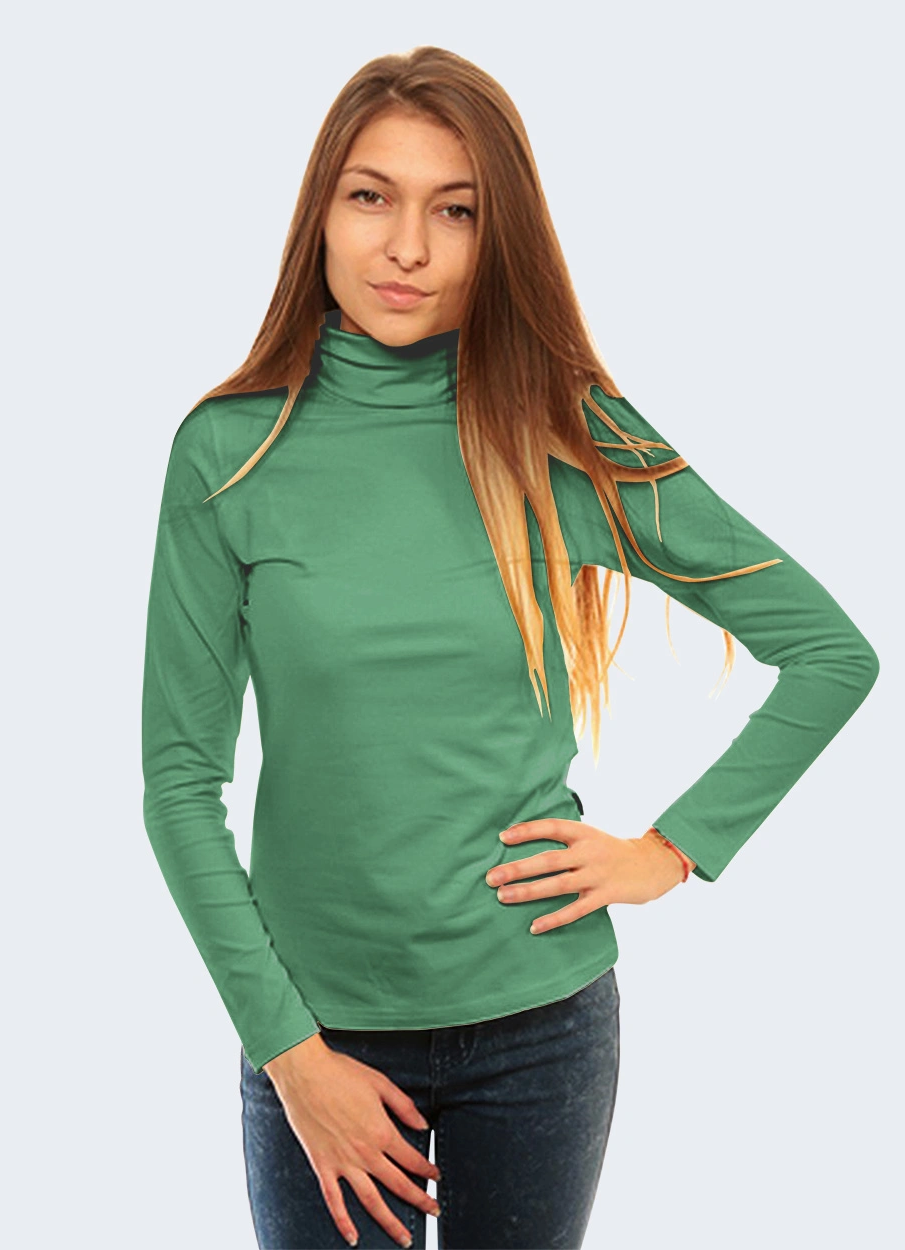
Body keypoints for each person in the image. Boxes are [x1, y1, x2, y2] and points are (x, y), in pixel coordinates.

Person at [140, 46, 880, 1250]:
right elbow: (178, 782)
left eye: (457, 210)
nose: (407, 247)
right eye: (371, 196)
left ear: (500, 238)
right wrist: (290, 1054)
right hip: (315, 1033)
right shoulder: (231, 451)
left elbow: (831, 651)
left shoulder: (563, 431)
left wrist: (671, 851)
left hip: (541, 1026)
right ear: (319, 209)